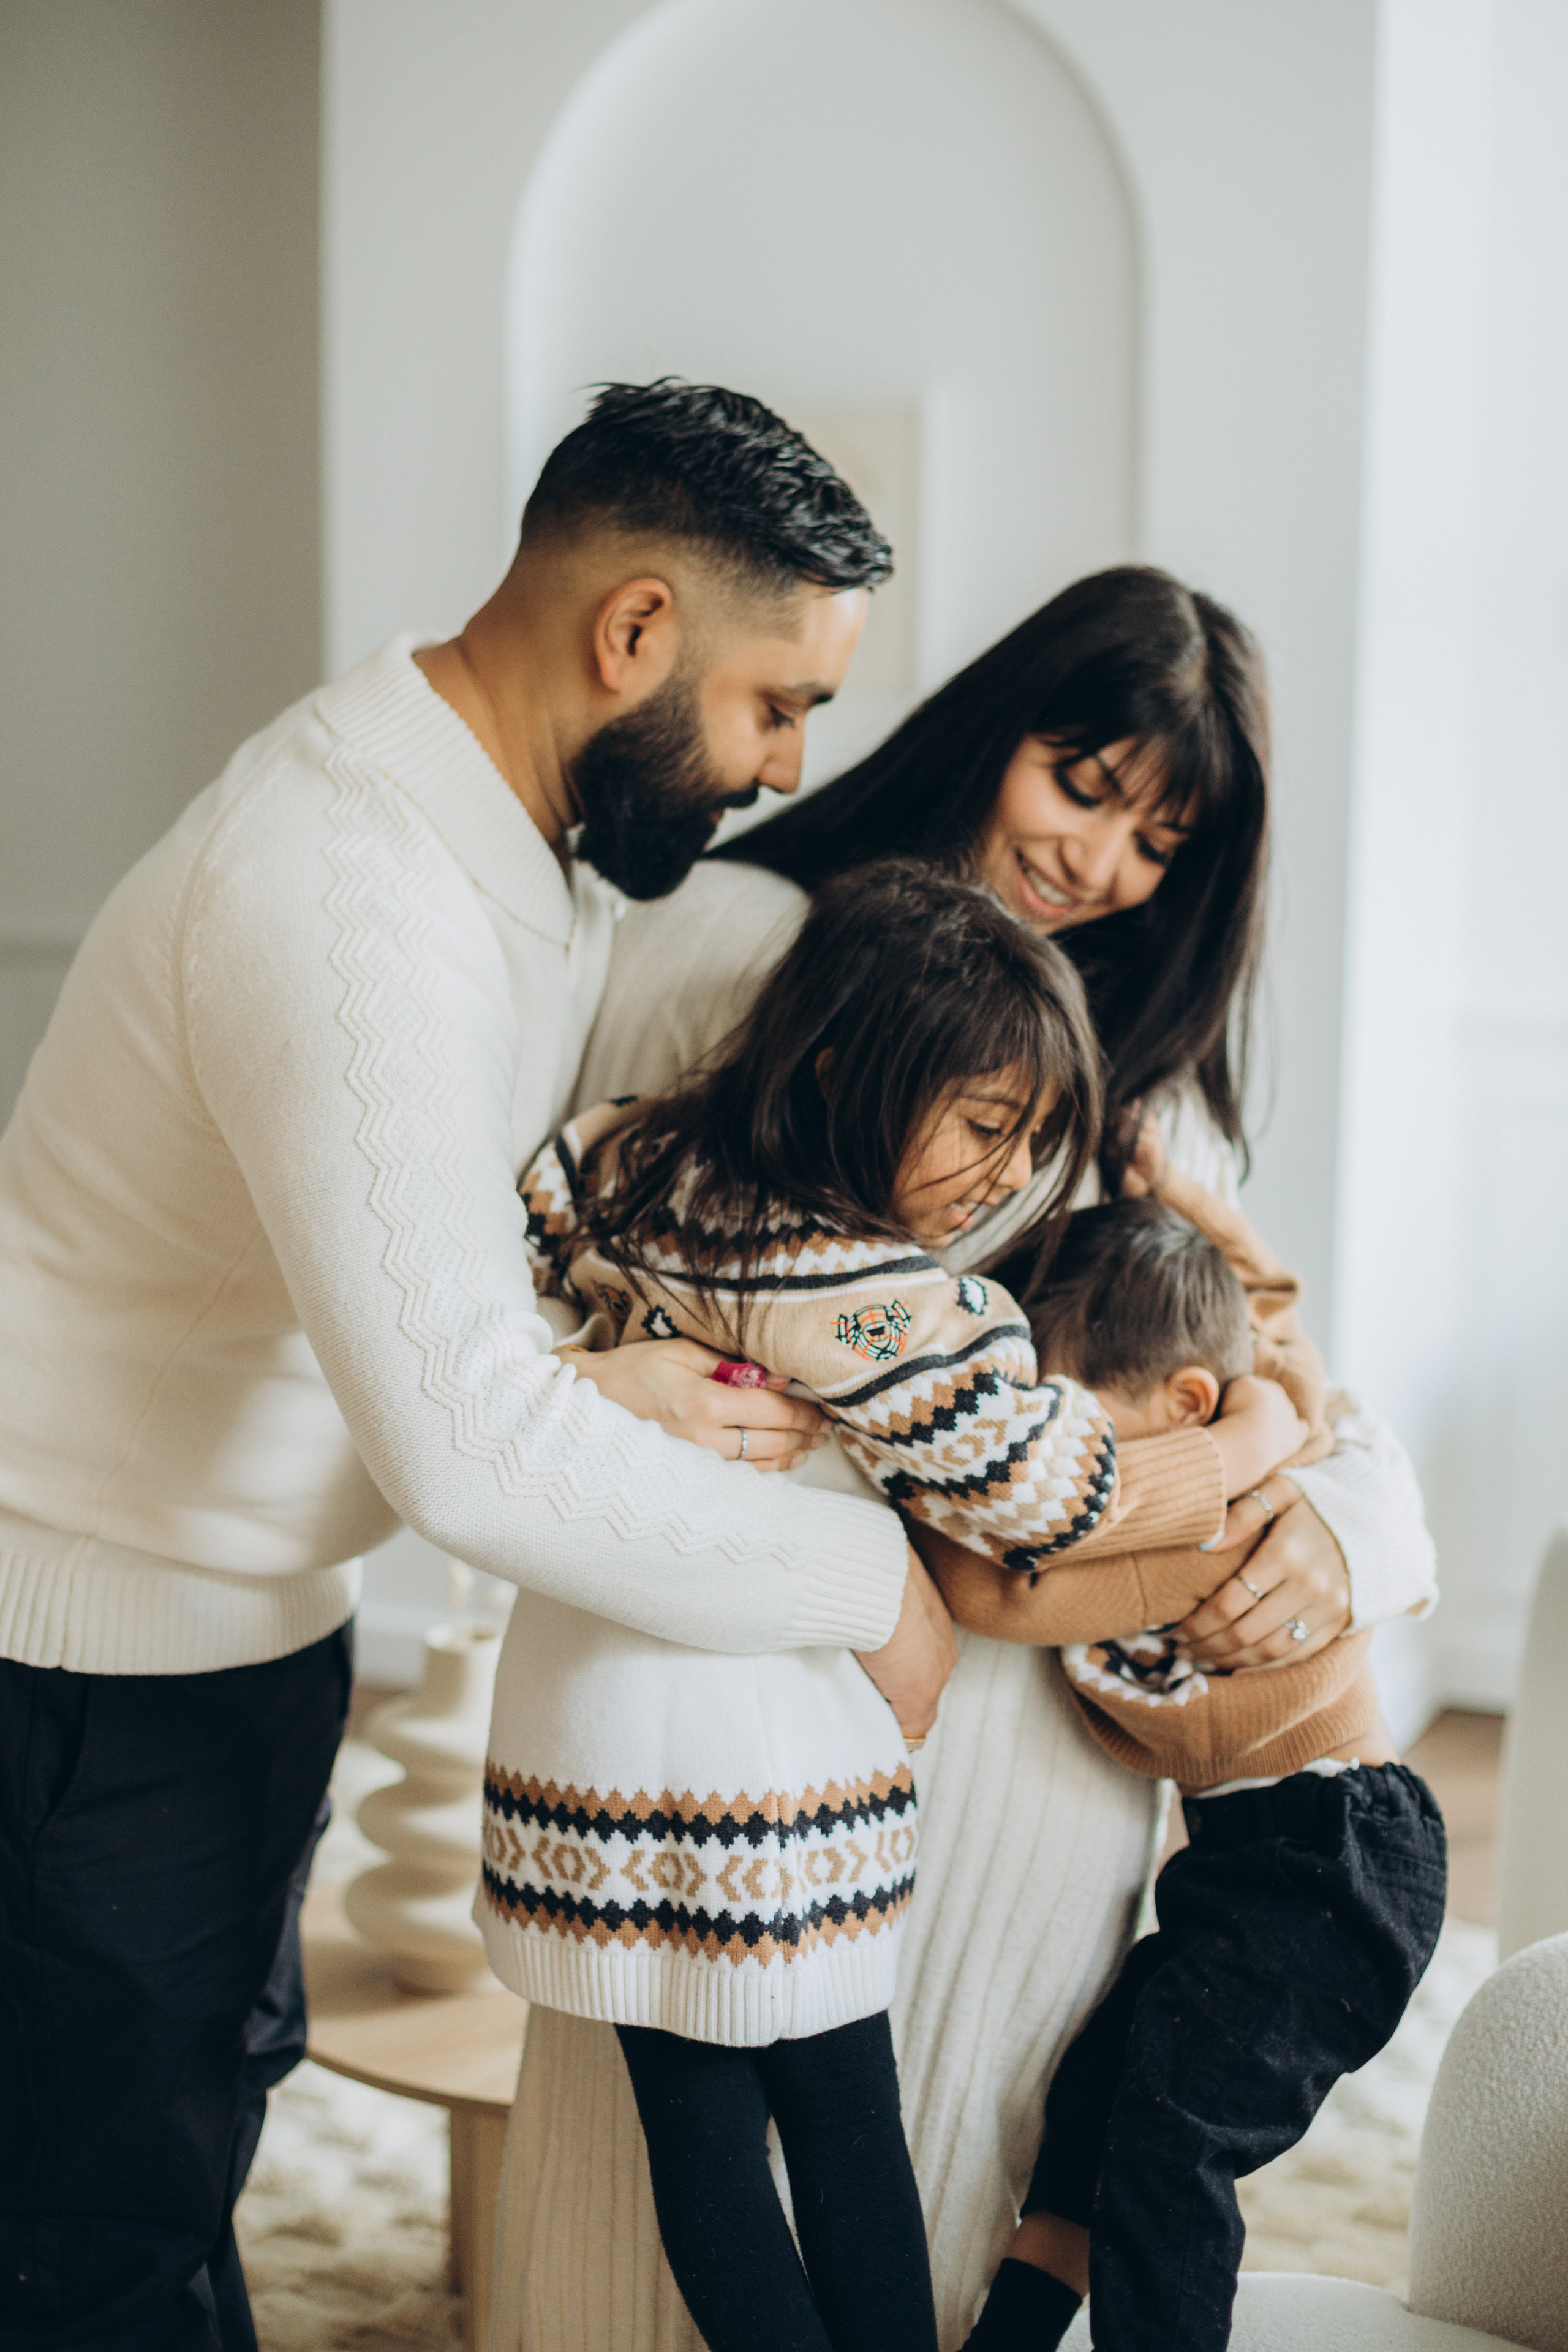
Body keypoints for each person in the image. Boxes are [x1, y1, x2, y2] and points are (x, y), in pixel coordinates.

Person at [0, 382, 958, 2352]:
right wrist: (870, 1587)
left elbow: (423, 1250)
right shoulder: (348, 895)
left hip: (236, 1622)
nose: (784, 761)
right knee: (93, 2228)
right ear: (633, 636)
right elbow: (465, 1452)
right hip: (82, 1663)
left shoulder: (527, 848)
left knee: (182, 2143)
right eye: (780, 704)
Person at [487, 566, 1439, 2351]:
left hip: (1027, 1748)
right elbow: (520, 1286)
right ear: (993, 730)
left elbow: (1298, 1389)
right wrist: (605, 1398)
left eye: (1160, 841)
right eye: (1084, 785)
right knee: (665, 2221)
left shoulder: (1123, 1091)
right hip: (733, 1681)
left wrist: (1328, 1520)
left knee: (914, 2227)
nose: (1100, 864)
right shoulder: (736, 945)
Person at [950, 1177, 1447, 2350]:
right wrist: (1173, 1187)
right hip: (1252, 1864)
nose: (1044, 1469)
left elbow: (984, 1587)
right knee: (1091, 2113)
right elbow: (1269, 1297)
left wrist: (932, 1444)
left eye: (1070, 1431)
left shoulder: (1207, 1525)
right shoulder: (1236, 1416)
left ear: (1184, 1406)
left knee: (1174, 2142)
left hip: (1339, 1860)